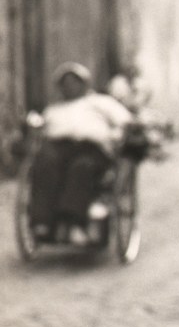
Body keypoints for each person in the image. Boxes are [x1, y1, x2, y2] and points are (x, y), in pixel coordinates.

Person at [29, 62, 133, 245]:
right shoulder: (54, 109)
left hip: (91, 148)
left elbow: (125, 121)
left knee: (81, 167)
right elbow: (42, 130)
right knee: (44, 161)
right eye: (65, 82)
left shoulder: (101, 102)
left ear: (84, 84)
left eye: (74, 81)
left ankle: (74, 223)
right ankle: (42, 222)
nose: (69, 86)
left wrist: (117, 134)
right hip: (59, 147)